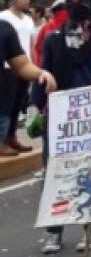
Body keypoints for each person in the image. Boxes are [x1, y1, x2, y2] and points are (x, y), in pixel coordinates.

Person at [34, 0, 91, 254]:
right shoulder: (53, 39)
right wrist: (43, 98)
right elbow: (43, 74)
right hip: (60, 119)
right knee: (56, 172)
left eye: (83, 4)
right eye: (73, 3)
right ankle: (54, 230)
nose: (77, 9)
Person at [0, 10, 57, 155]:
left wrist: (42, 73)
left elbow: (21, 64)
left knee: (10, 106)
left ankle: (7, 139)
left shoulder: (4, 29)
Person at [0, 0, 36, 156]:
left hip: (25, 67)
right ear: (13, 0)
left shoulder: (28, 20)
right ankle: (1, 141)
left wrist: (34, 65)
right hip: (7, 69)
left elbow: (30, 45)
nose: (27, 1)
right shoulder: (3, 17)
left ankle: (12, 137)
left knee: (18, 105)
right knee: (5, 106)